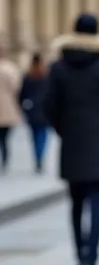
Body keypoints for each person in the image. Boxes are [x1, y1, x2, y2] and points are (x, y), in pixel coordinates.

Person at [44, 14, 99, 265]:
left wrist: (64, 130)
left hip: (72, 143)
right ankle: (92, 260)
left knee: (76, 205)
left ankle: (79, 259)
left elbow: (50, 107)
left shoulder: (58, 67)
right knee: (97, 204)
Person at [19, 52, 49, 172]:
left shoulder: (28, 77)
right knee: (42, 135)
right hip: (44, 110)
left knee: (34, 136)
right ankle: (40, 156)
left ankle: (37, 156)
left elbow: (22, 94)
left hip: (32, 110)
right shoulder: (46, 76)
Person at [0, 42, 22, 172]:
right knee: (5, 137)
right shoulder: (9, 68)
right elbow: (16, 87)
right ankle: (5, 159)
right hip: (7, 106)